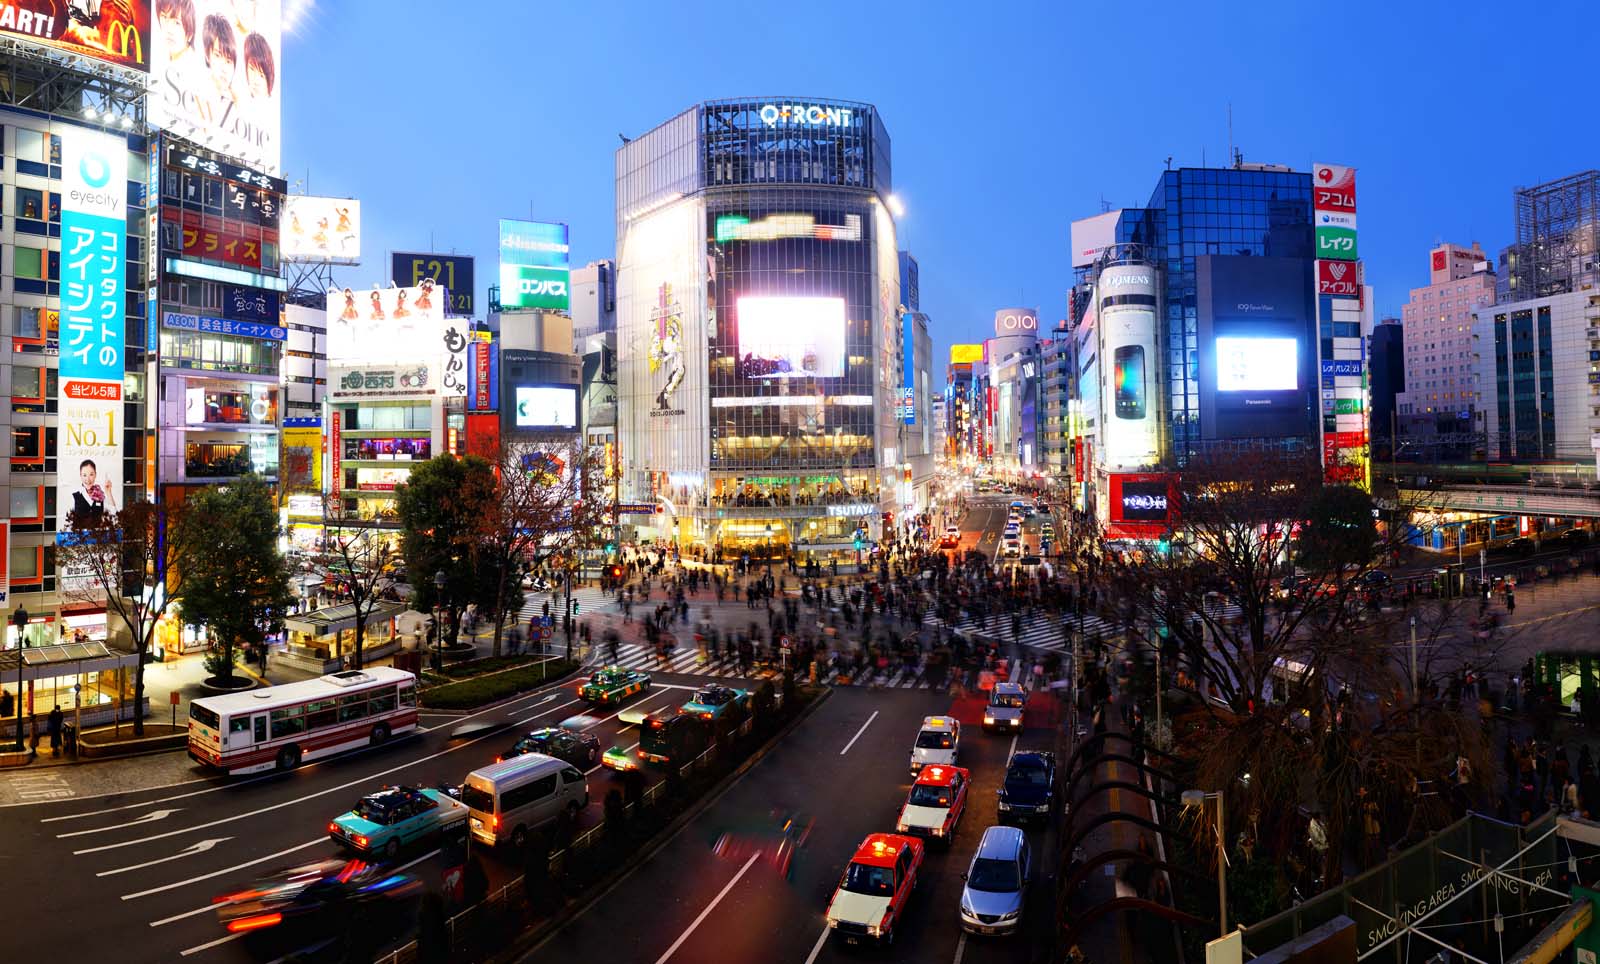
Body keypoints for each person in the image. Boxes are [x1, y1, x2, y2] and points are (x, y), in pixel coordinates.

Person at [68, 458, 117, 524]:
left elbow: (114, 516)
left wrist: (108, 492)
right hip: (80, 534)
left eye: (91, 474)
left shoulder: (101, 495)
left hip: (97, 533)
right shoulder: (74, 496)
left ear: (95, 475)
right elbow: (69, 522)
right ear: (80, 476)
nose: (88, 479)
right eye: (84, 475)